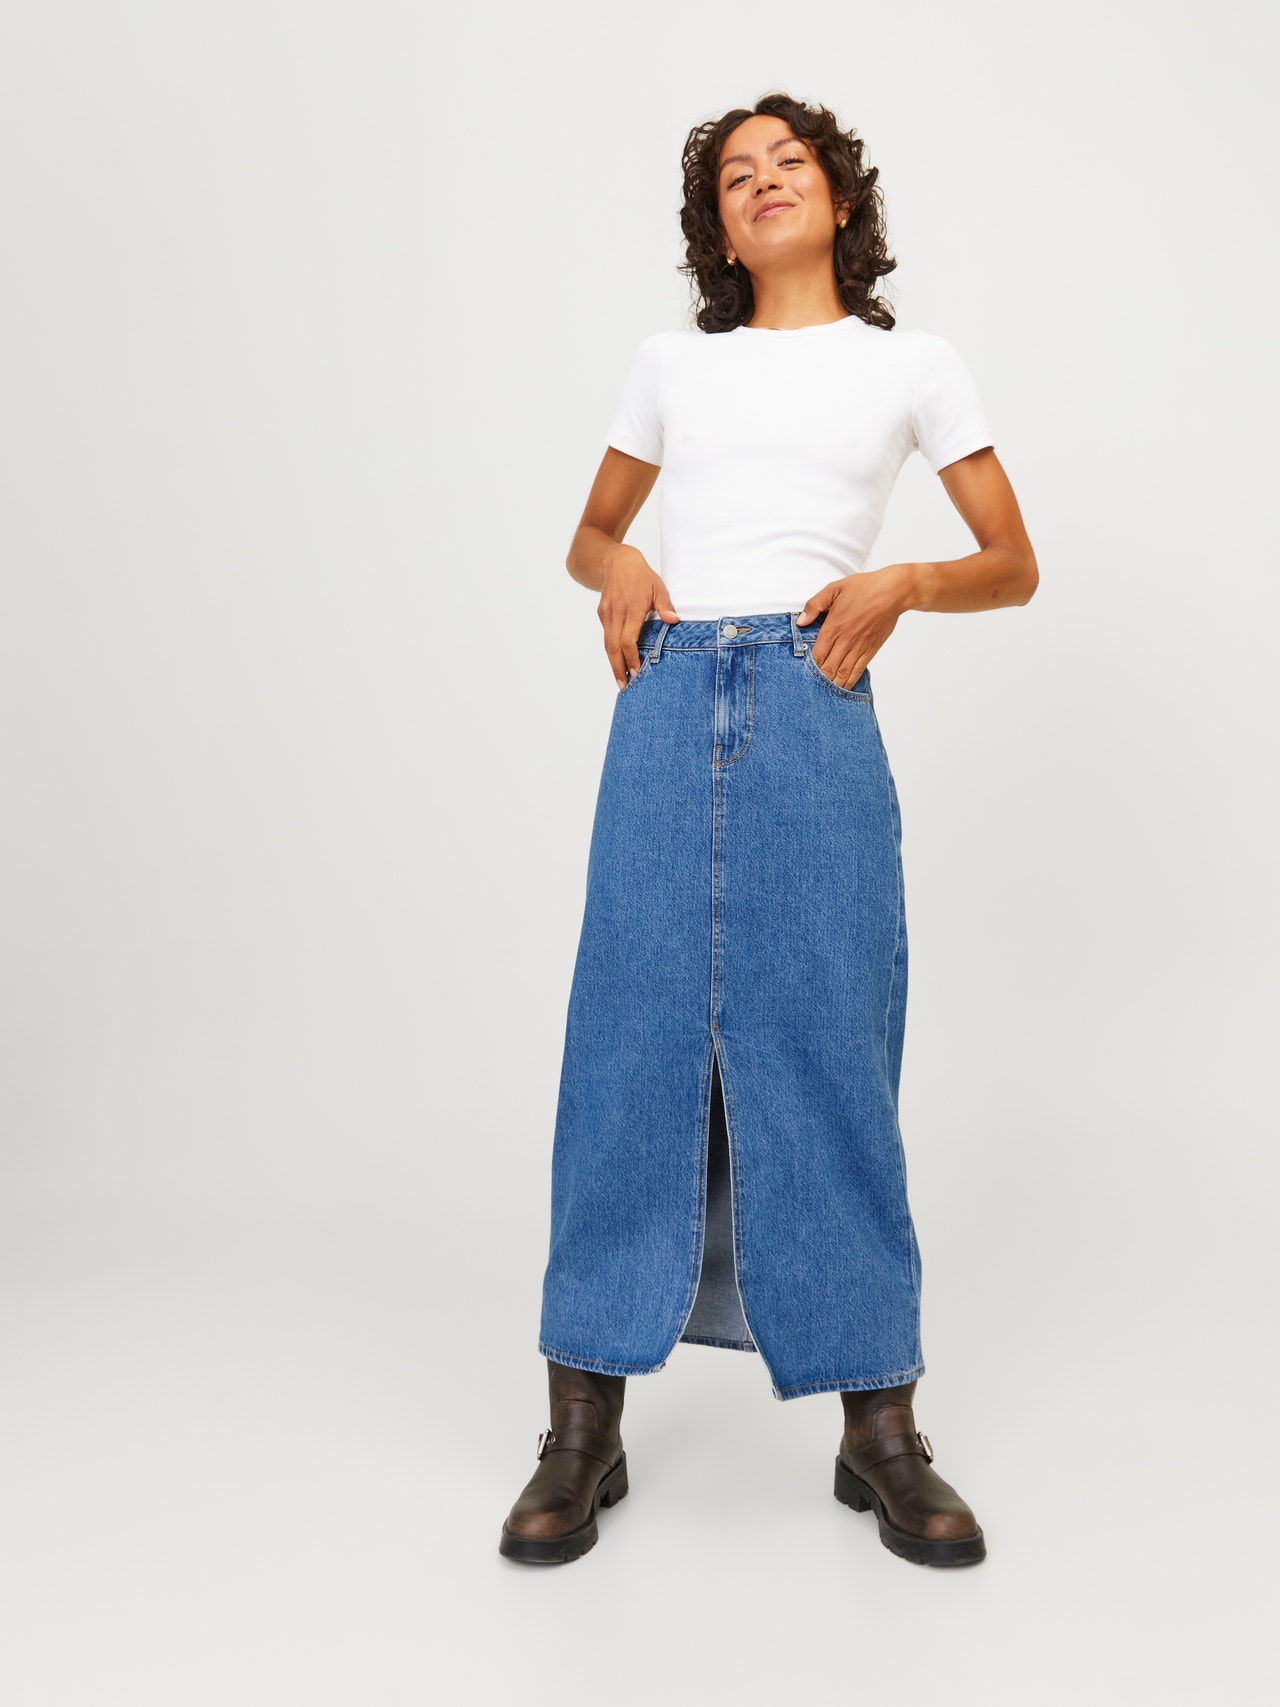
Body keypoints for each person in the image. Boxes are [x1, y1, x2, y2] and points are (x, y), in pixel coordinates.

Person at [498, 93, 1038, 1570]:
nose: (764, 182)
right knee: (630, 1036)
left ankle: (881, 1431)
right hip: (669, 698)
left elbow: (1013, 562)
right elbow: (588, 533)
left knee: (829, 1041)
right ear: (720, 227)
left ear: (840, 199)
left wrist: (901, 584)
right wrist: (617, 565)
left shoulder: (913, 365)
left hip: (813, 693)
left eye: (789, 162)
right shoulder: (672, 366)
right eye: (737, 175)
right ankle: (581, 1425)